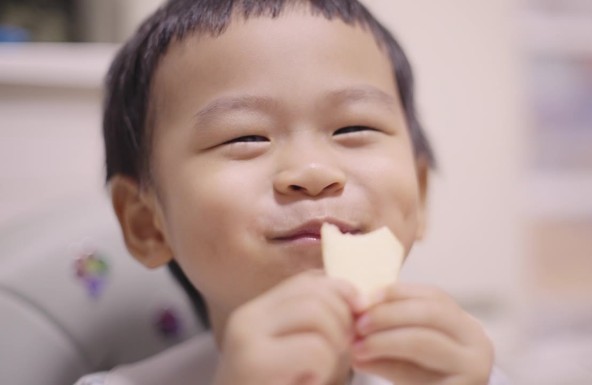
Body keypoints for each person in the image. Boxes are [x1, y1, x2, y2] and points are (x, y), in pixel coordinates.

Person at [77, 0, 507, 384]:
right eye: (245, 137)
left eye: (354, 127)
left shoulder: (467, 373)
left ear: (421, 191)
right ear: (147, 224)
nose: (313, 171)